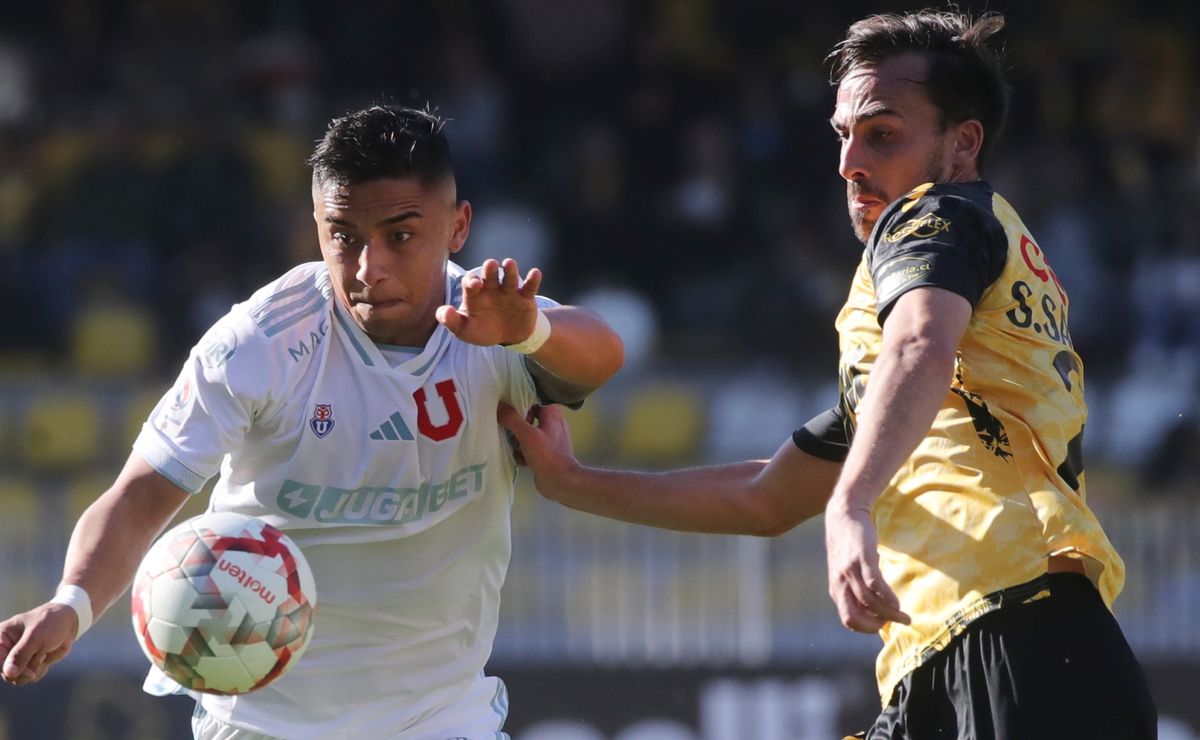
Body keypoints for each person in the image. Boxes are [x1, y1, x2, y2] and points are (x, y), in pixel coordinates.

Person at [498, 10, 1157, 739]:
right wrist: (576, 482)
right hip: (974, 648)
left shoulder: (937, 217)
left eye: (882, 133)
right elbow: (765, 498)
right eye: (843, 134)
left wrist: (851, 506)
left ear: (962, 143)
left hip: (1017, 640)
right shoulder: (949, 344)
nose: (850, 162)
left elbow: (918, 349)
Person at [0, 104, 623, 739]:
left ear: (457, 227)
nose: (367, 267)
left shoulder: (494, 325)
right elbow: (140, 494)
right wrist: (71, 603)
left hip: (439, 718)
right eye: (344, 236)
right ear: (316, 229)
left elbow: (601, 356)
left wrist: (530, 329)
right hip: (260, 723)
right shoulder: (261, 340)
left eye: (400, 236)